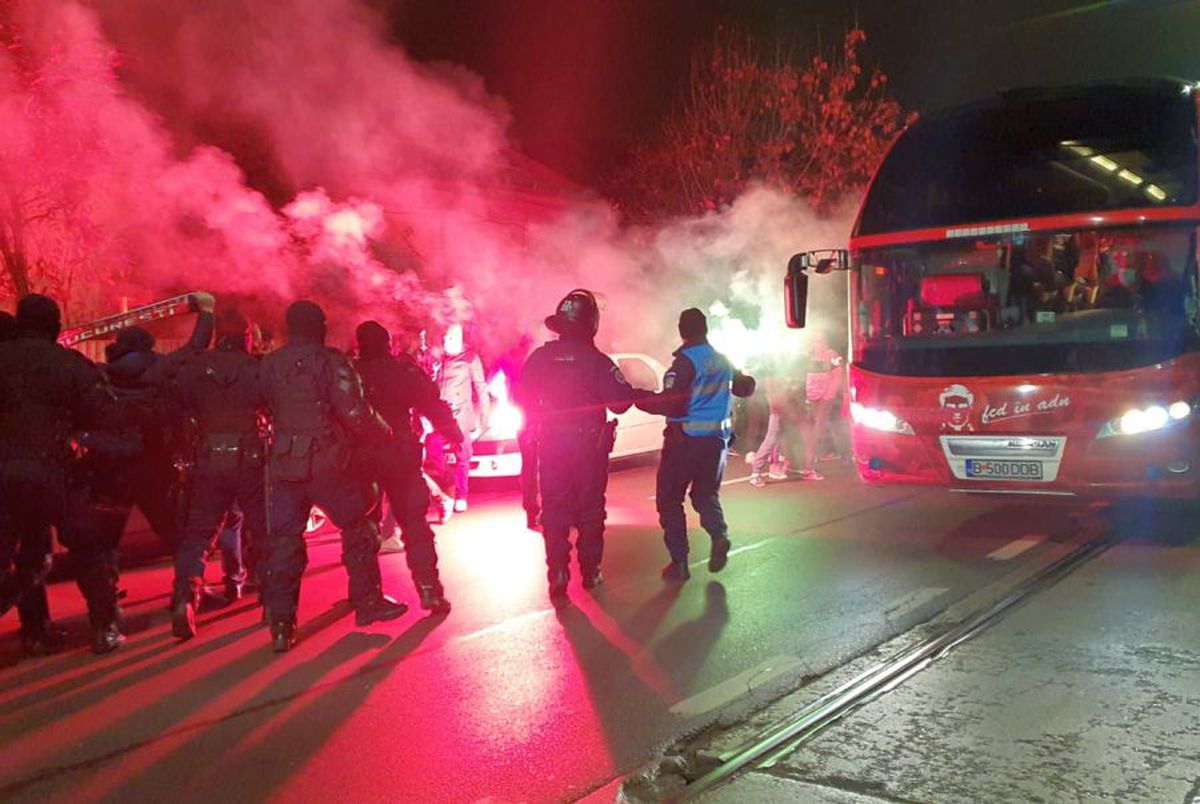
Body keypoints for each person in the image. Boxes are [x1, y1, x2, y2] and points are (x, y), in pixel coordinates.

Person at [259, 301, 406, 652]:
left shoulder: (268, 364)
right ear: (318, 326)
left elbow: (262, 405)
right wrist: (384, 433)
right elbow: (354, 410)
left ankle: (281, 624)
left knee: (284, 541)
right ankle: (368, 602)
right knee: (359, 526)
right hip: (327, 460)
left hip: (284, 462)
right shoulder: (330, 361)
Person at [0, 294, 125, 654]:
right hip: (54, 471)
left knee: (26, 552)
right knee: (88, 549)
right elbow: (104, 413)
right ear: (54, 326)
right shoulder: (70, 364)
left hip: (5, 473)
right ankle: (104, 628)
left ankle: (35, 631)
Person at [520, 290, 648, 601]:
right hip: (588, 447)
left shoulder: (540, 358)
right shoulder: (597, 361)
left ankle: (558, 572)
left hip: (551, 444)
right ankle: (590, 571)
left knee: (554, 508)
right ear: (591, 323)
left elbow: (520, 397)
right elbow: (619, 404)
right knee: (590, 508)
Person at [167, 307, 267, 639]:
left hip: (209, 458)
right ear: (246, 337)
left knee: (198, 535)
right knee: (263, 530)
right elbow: (273, 407)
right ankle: (273, 599)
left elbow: (177, 407)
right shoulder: (256, 369)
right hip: (249, 460)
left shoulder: (194, 368)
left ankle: (185, 597)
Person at [637, 308, 755, 582]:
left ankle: (679, 562)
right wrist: (749, 377)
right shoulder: (723, 360)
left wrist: (638, 399)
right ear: (705, 330)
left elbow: (672, 403)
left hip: (684, 442)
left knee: (669, 500)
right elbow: (745, 388)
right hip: (716, 443)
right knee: (704, 495)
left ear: (682, 331)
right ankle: (719, 535)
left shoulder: (685, 362)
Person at [92, 295, 216, 556]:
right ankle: (189, 575)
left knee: (106, 536)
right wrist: (206, 311)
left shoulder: (102, 374)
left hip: (115, 462)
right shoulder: (161, 367)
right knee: (169, 527)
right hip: (153, 456)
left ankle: (104, 580)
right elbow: (196, 346)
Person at [354, 320, 463, 615]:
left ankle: (366, 596)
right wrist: (454, 433)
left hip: (363, 457)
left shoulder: (350, 373)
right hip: (399, 454)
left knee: (362, 529)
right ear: (387, 345)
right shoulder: (402, 371)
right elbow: (432, 403)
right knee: (414, 524)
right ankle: (429, 589)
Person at [428, 323, 490, 515]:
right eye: (444, 338)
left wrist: (484, 420)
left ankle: (461, 496)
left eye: (450, 338)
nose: (446, 341)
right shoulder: (441, 358)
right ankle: (449, 481)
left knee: (463, 454)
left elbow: (481, 388)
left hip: (461, 415)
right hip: (442, 416)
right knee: (432, 445)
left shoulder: (470, 357)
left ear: (458, 338)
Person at [500, 333, 541, 529]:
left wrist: (509, 399)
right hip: (539, 417)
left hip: (524, 418)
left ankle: (531, 511)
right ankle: (544, 509)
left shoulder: (510, 359)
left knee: (529, 465)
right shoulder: (538, 360)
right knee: (545, 465)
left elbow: (493, 381)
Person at [800, 331, 844, 480]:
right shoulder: (808, 356)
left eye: (821, 341)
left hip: (825, 397)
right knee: (809, 428)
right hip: (809, 396)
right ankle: (809, 460)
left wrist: (828, 396)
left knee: (818, 427)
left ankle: (810, 462)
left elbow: (837, 376)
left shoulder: (832, 355)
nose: (819, 344)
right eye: (816, 341)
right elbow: (804, 374)